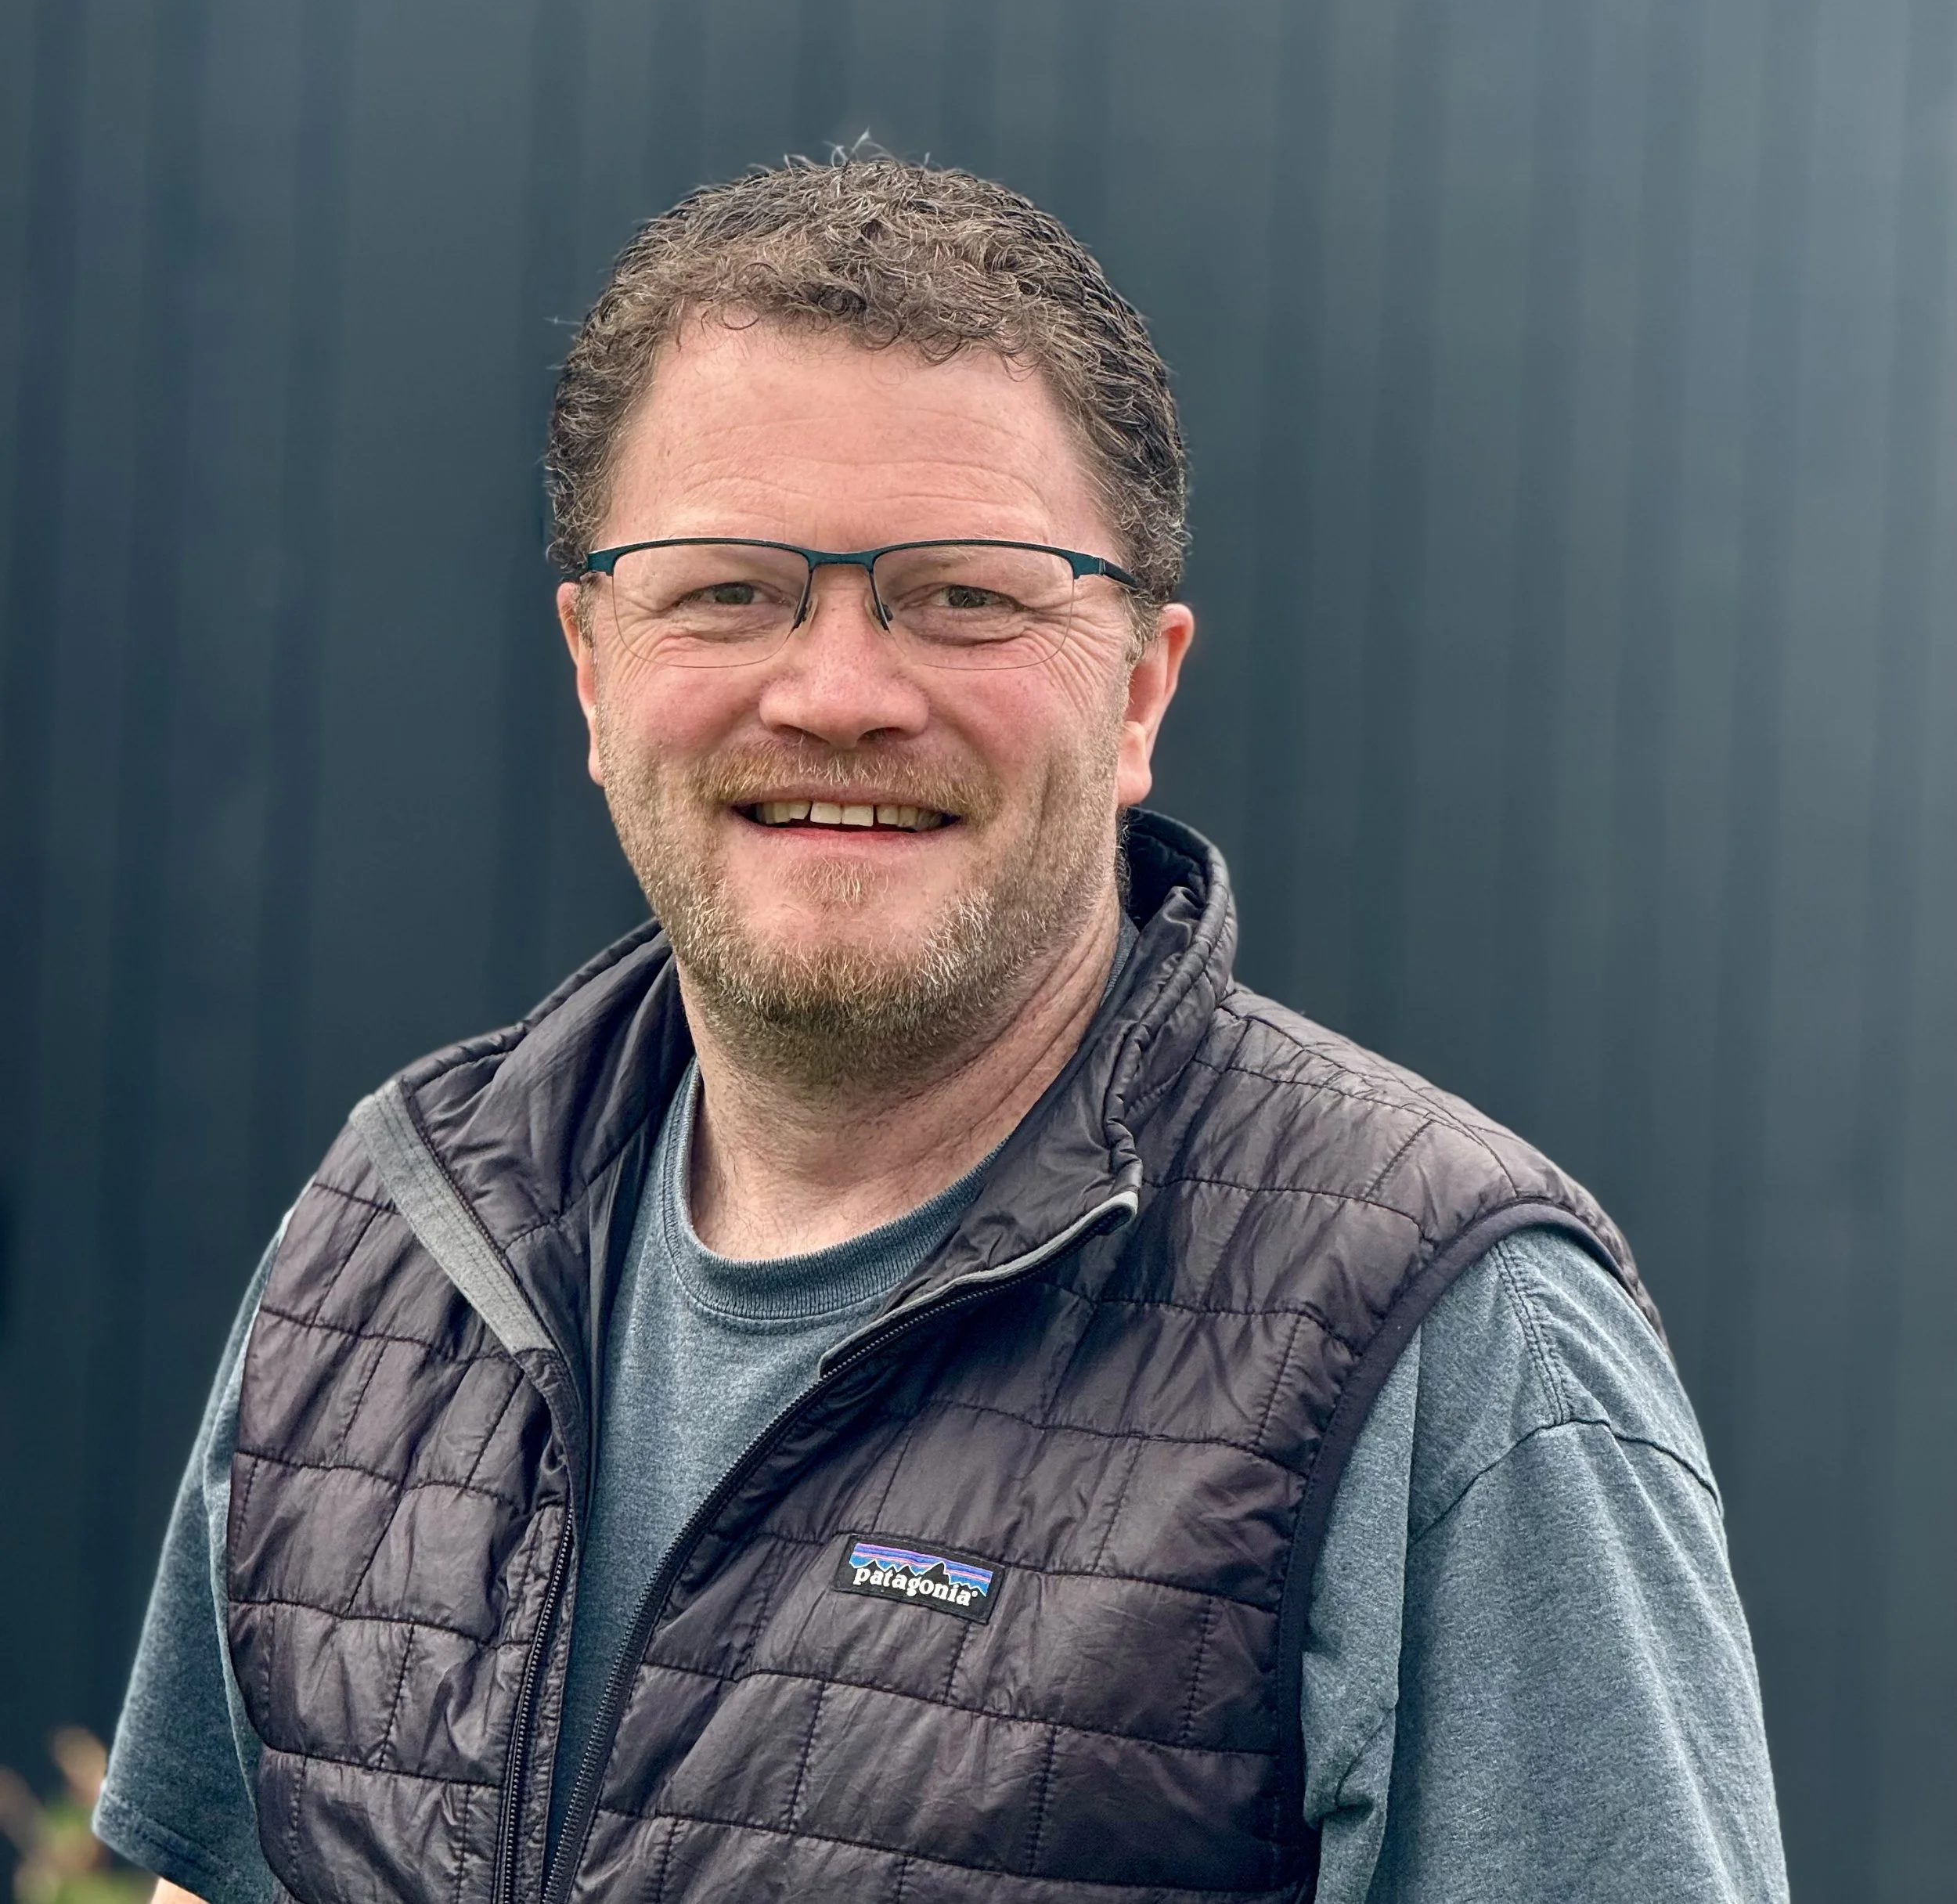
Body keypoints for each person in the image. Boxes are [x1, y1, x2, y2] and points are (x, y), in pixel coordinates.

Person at [98, 155, 1789, 1904]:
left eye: (965, 594)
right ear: (594, 670)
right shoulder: (390, 1240)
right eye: (727, 588)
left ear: (1135, 688)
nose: (836, 692)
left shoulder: (1452, 1348)